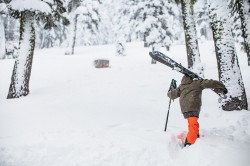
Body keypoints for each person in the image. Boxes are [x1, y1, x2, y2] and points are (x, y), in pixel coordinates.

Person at [167, 75, 227, 146]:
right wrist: (221, 86)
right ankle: (189, 143)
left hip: (185, 108)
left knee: (193, 123)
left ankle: (195, 137)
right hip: (192, 106)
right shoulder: (196, 83)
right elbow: (210, 83)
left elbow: (172, 95)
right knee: (193, 125)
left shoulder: (182, 86)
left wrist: (170, 91)